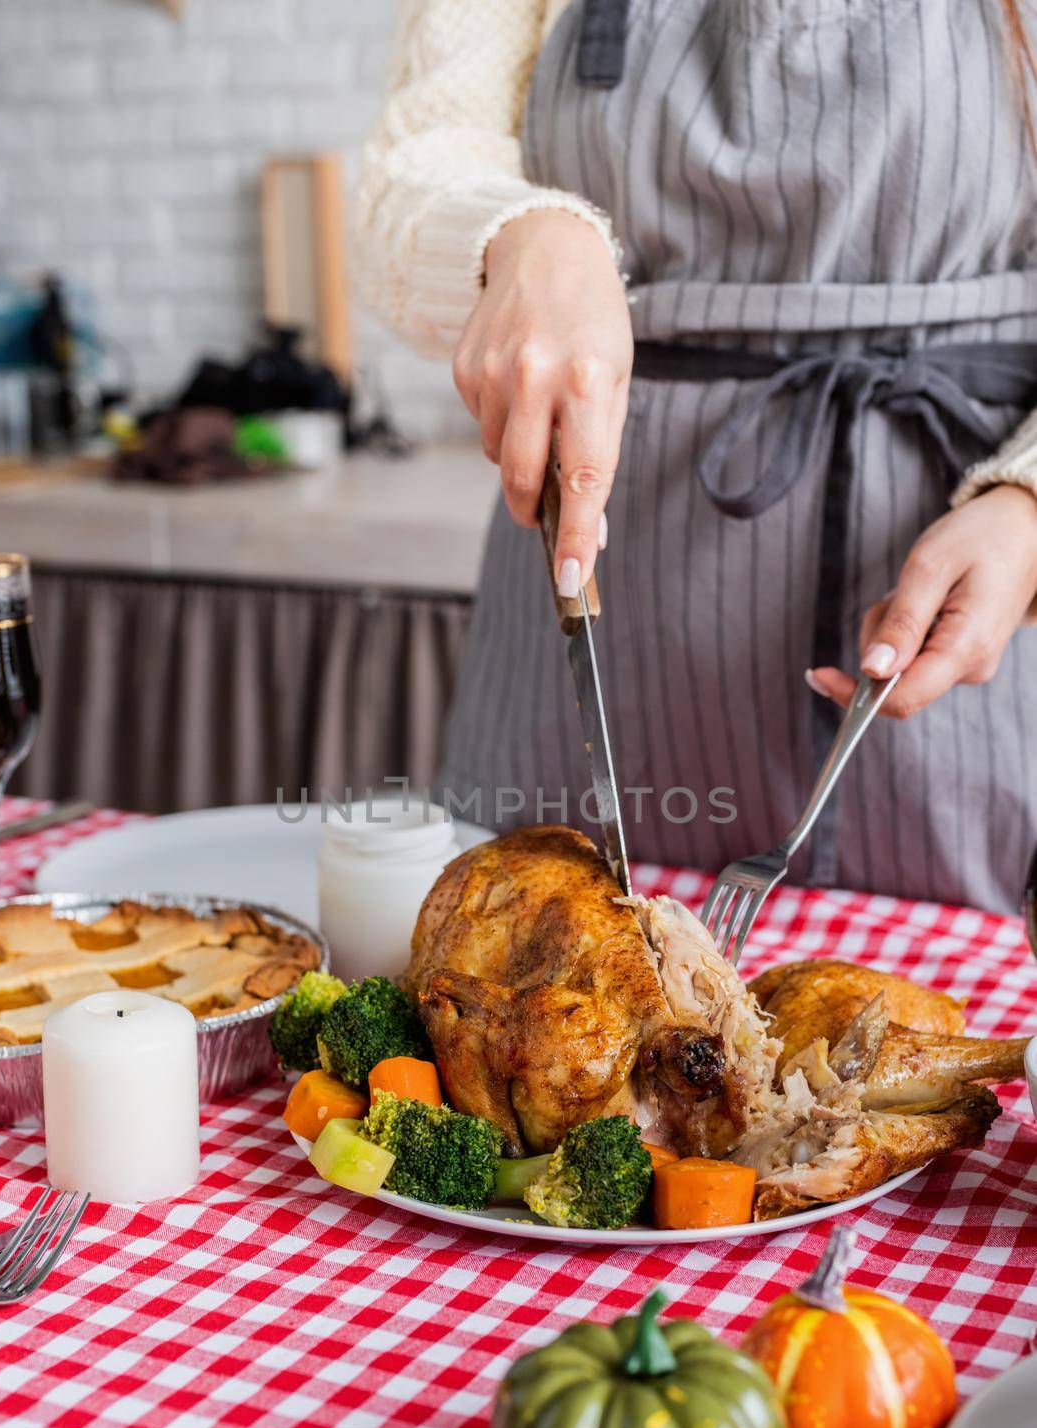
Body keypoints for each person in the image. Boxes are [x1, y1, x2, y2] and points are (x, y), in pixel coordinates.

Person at [357, 0, 1037, 914]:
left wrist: (1028, 501)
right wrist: (524, 234)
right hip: (596, 614)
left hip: (967, 615)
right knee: (528, 980)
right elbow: (412, 168)